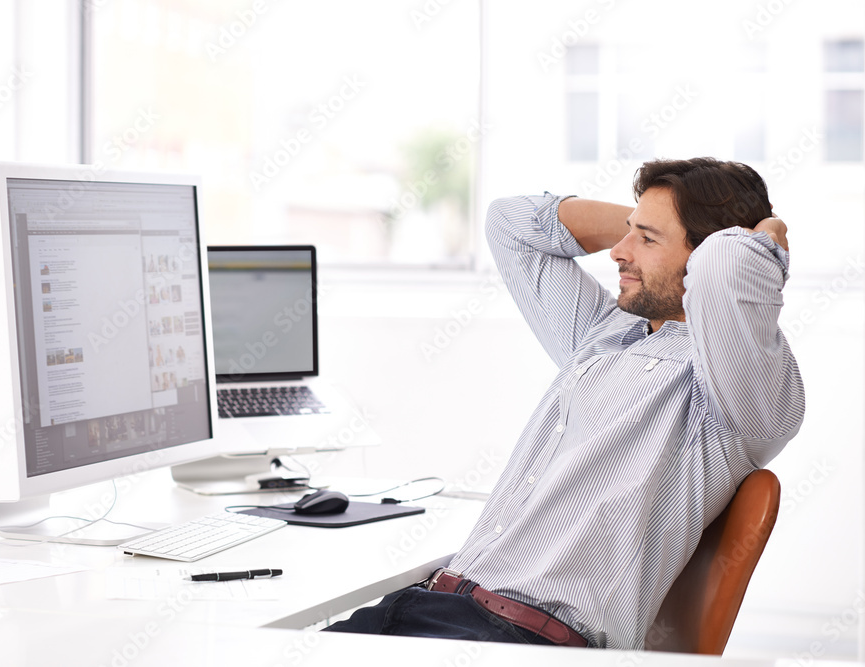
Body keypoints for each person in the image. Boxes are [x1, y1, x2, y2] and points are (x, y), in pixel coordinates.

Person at [324, 157, 805, 649]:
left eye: (647, 239)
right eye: (627, 231)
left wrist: (764, 232)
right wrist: (652, 219)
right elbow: (510, 223)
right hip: (435, 605)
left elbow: (725, 269)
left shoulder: (741, 389)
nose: (618, 251)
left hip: (523, 640)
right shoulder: (605, 332)